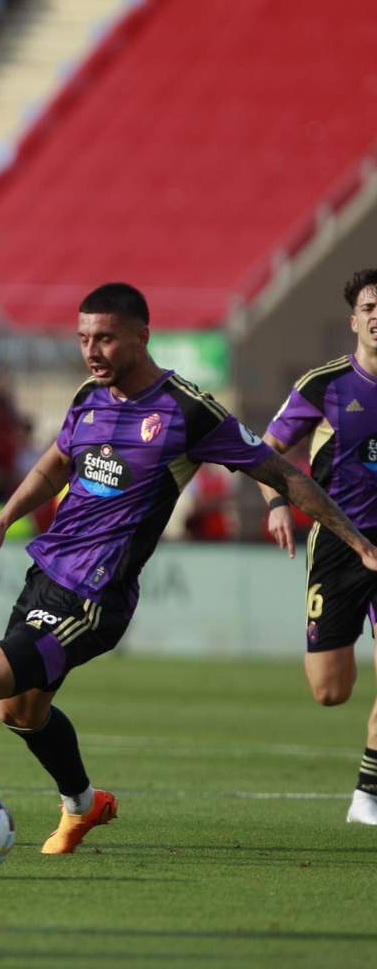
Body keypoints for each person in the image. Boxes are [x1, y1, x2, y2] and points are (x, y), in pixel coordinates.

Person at [0, 282, 377, 862]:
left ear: (141, 336)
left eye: (105, 338)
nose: (91, 351)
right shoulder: (89, 394)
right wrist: (3, 520)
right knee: (19, 712)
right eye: (83, 338)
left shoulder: (188, 410)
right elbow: (57, 463)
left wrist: (355, 540)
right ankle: (83, 805)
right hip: (45, 575)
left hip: (94, 598)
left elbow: (286, 474)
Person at [257, 268, 377, 825]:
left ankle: (367, 795)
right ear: (354, 321)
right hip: (337, 542)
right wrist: (277, 503)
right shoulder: (324, 384)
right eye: (370, 308)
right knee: (330, 690)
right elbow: (265, 452)